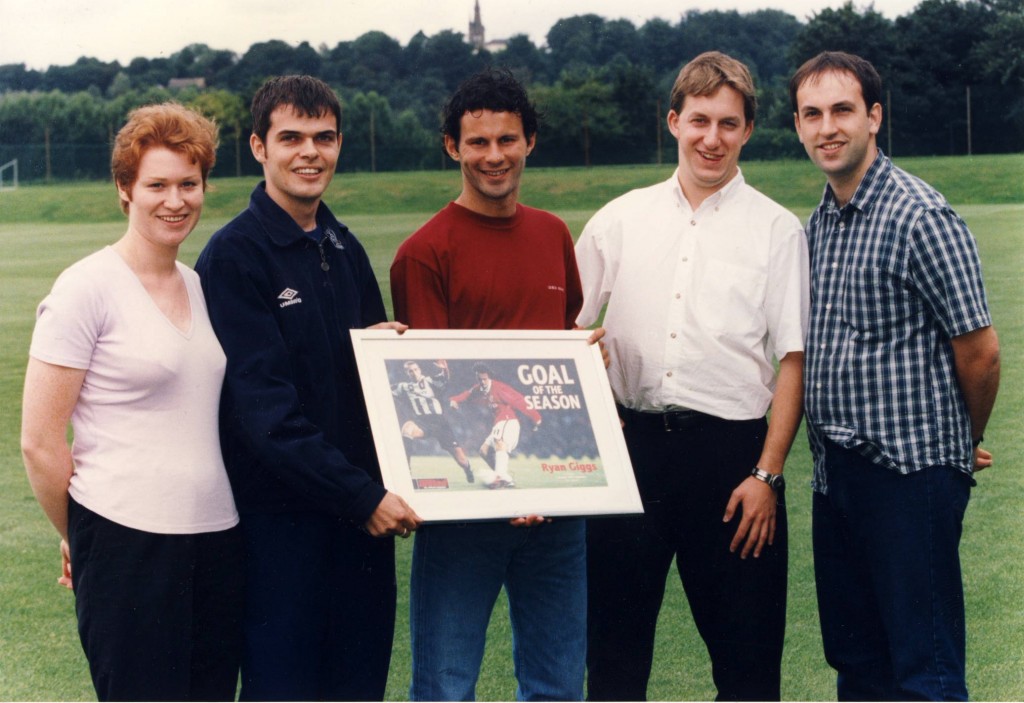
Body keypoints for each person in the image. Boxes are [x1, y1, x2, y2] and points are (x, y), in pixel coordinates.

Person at [574, 51, 809, 701]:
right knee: (614, 661)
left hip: (732, 462)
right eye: (699, 120)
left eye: (728, 124)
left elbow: (794, 359)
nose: (712, 139)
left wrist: (767, 474)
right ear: (673, 121)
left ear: (748, 131)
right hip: (630, 457)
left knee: (747, 663)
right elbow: (563, 330)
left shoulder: (777, 231)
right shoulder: (619, 221)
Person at [194, 75, 421, 702]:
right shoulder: (235, 256)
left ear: (340, 144)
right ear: (259, 147)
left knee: (357, 688)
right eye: (290, 137)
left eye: (323, 137)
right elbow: (265, 414)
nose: (309, 152)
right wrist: (361, 496)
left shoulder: (342, 246)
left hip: (357, 529)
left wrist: (383, 353)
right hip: (282, 532)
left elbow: (366, 387)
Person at [790, 51, 1001, 701]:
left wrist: (960, 444)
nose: (827, 127)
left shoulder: (920, 216)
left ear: (874, 117)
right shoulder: (817, 226)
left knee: (925, 670)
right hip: (838, 479)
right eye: (812, 113)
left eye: (843, 110)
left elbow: (981, 351)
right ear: (798, 126)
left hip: (913, 478)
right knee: (858, 663)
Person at [20, 103, 243, 701]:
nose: (176, 200)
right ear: (125, 190)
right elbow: (40, 442)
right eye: (157, 185)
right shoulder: (85, 289)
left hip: (218, 538)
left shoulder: (198, 284)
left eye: (188, 184)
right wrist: (81, 537)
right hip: (126, 544)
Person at [390, 67, 589, 701]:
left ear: (530, 140)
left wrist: (589, 362)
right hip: (466, 512)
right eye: (477, 142)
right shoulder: (424, 252)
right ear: (452, 146)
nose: (494, 156)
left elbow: (562, 359)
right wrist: (501, 486)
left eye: (507, 139)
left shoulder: (554, 234)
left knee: (557, 684)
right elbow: (432, 391)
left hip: (555, 510)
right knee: (446, 687)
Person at [448, 362, 543, 488]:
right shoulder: (480, 388)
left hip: (508, 421)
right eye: (479, 379)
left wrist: (536, 417)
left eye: (484, 379)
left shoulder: (499, 388)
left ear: (489, 377)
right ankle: (505, 478)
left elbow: (519, 400)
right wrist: (454, 400)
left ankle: (499, 476)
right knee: (484, 451)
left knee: (499, 442)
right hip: (499, 422)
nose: (482, 382)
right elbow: (467, 394)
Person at [392, 359, 474, 482]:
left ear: (419, 370)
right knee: (406, 429)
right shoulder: (403, 387)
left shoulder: (429, 381)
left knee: (461, 460)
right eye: (410, 371)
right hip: (422, 422)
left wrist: (445, 369)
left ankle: (468, 469)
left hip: (440, 423)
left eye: (415, 369)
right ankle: (406, 470)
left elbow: (445, 379)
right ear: (407, 373)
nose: (414, 373)